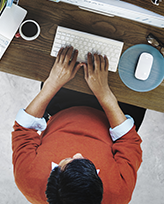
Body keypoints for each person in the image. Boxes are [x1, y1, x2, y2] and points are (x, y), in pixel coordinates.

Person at [12, 47, 143, 204]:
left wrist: (53, 83)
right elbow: (129, 142)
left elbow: (24, 130)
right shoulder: (119, 194)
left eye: (67, 160)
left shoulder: (27, 180)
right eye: (88, 163)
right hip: (118, 115)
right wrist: (104, 94)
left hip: (62, 106)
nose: (78, 153)